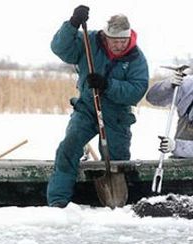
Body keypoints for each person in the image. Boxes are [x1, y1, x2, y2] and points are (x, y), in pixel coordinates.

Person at [47, 5, 149, 207]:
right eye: (115, 41)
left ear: (129, 38)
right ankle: (58, 202)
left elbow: (137, 89)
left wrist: (107, 85)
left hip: (117, 116)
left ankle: (119, 204)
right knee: (68, 149)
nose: (119, 46)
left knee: (117, 161)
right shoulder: (89, 41)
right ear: (106, 36)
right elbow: (61, 49)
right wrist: (73, 23)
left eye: (123, 41)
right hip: (86, 109)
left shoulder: (136, 58)